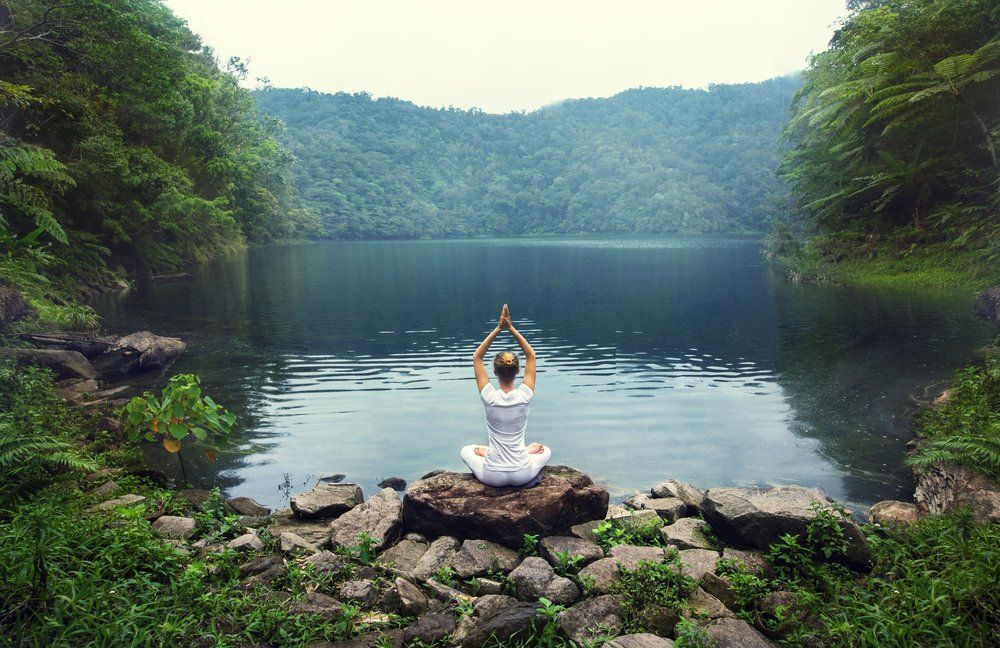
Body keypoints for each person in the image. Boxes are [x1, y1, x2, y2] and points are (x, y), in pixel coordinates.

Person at [461, 304, 551, 487]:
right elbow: (531, 356)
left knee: (467, 450)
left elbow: (477, 357)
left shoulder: (489, 396)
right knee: (545, 450)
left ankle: (490, 452)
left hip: (492, 475)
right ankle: (525, 452)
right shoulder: (525, 394)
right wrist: (511, 328)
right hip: (522, 474)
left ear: (494, 372)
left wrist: (498, 328)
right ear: (517, 371)